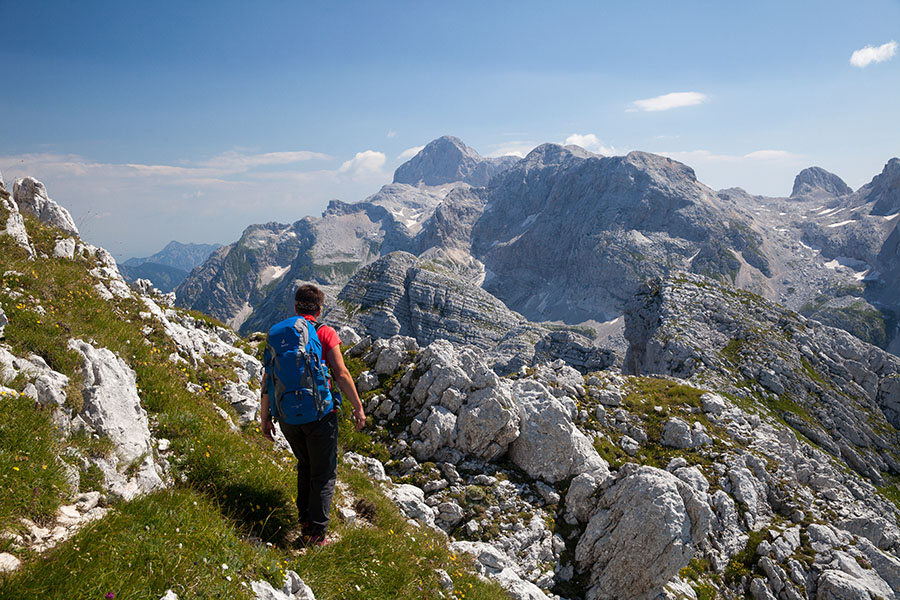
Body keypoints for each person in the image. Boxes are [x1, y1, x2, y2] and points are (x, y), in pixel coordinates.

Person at [260, 284, 366, 546]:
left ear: (296, 306)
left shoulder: (278, 334)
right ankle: (316, 535)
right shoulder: (324, 332)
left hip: (287, 417)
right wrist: (358, 406)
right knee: (323, 473)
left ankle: (305, 521)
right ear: (320, 309)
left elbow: (268, 378)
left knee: (305, 466)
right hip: (320, 416)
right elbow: (341, 373)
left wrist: (265, 418)